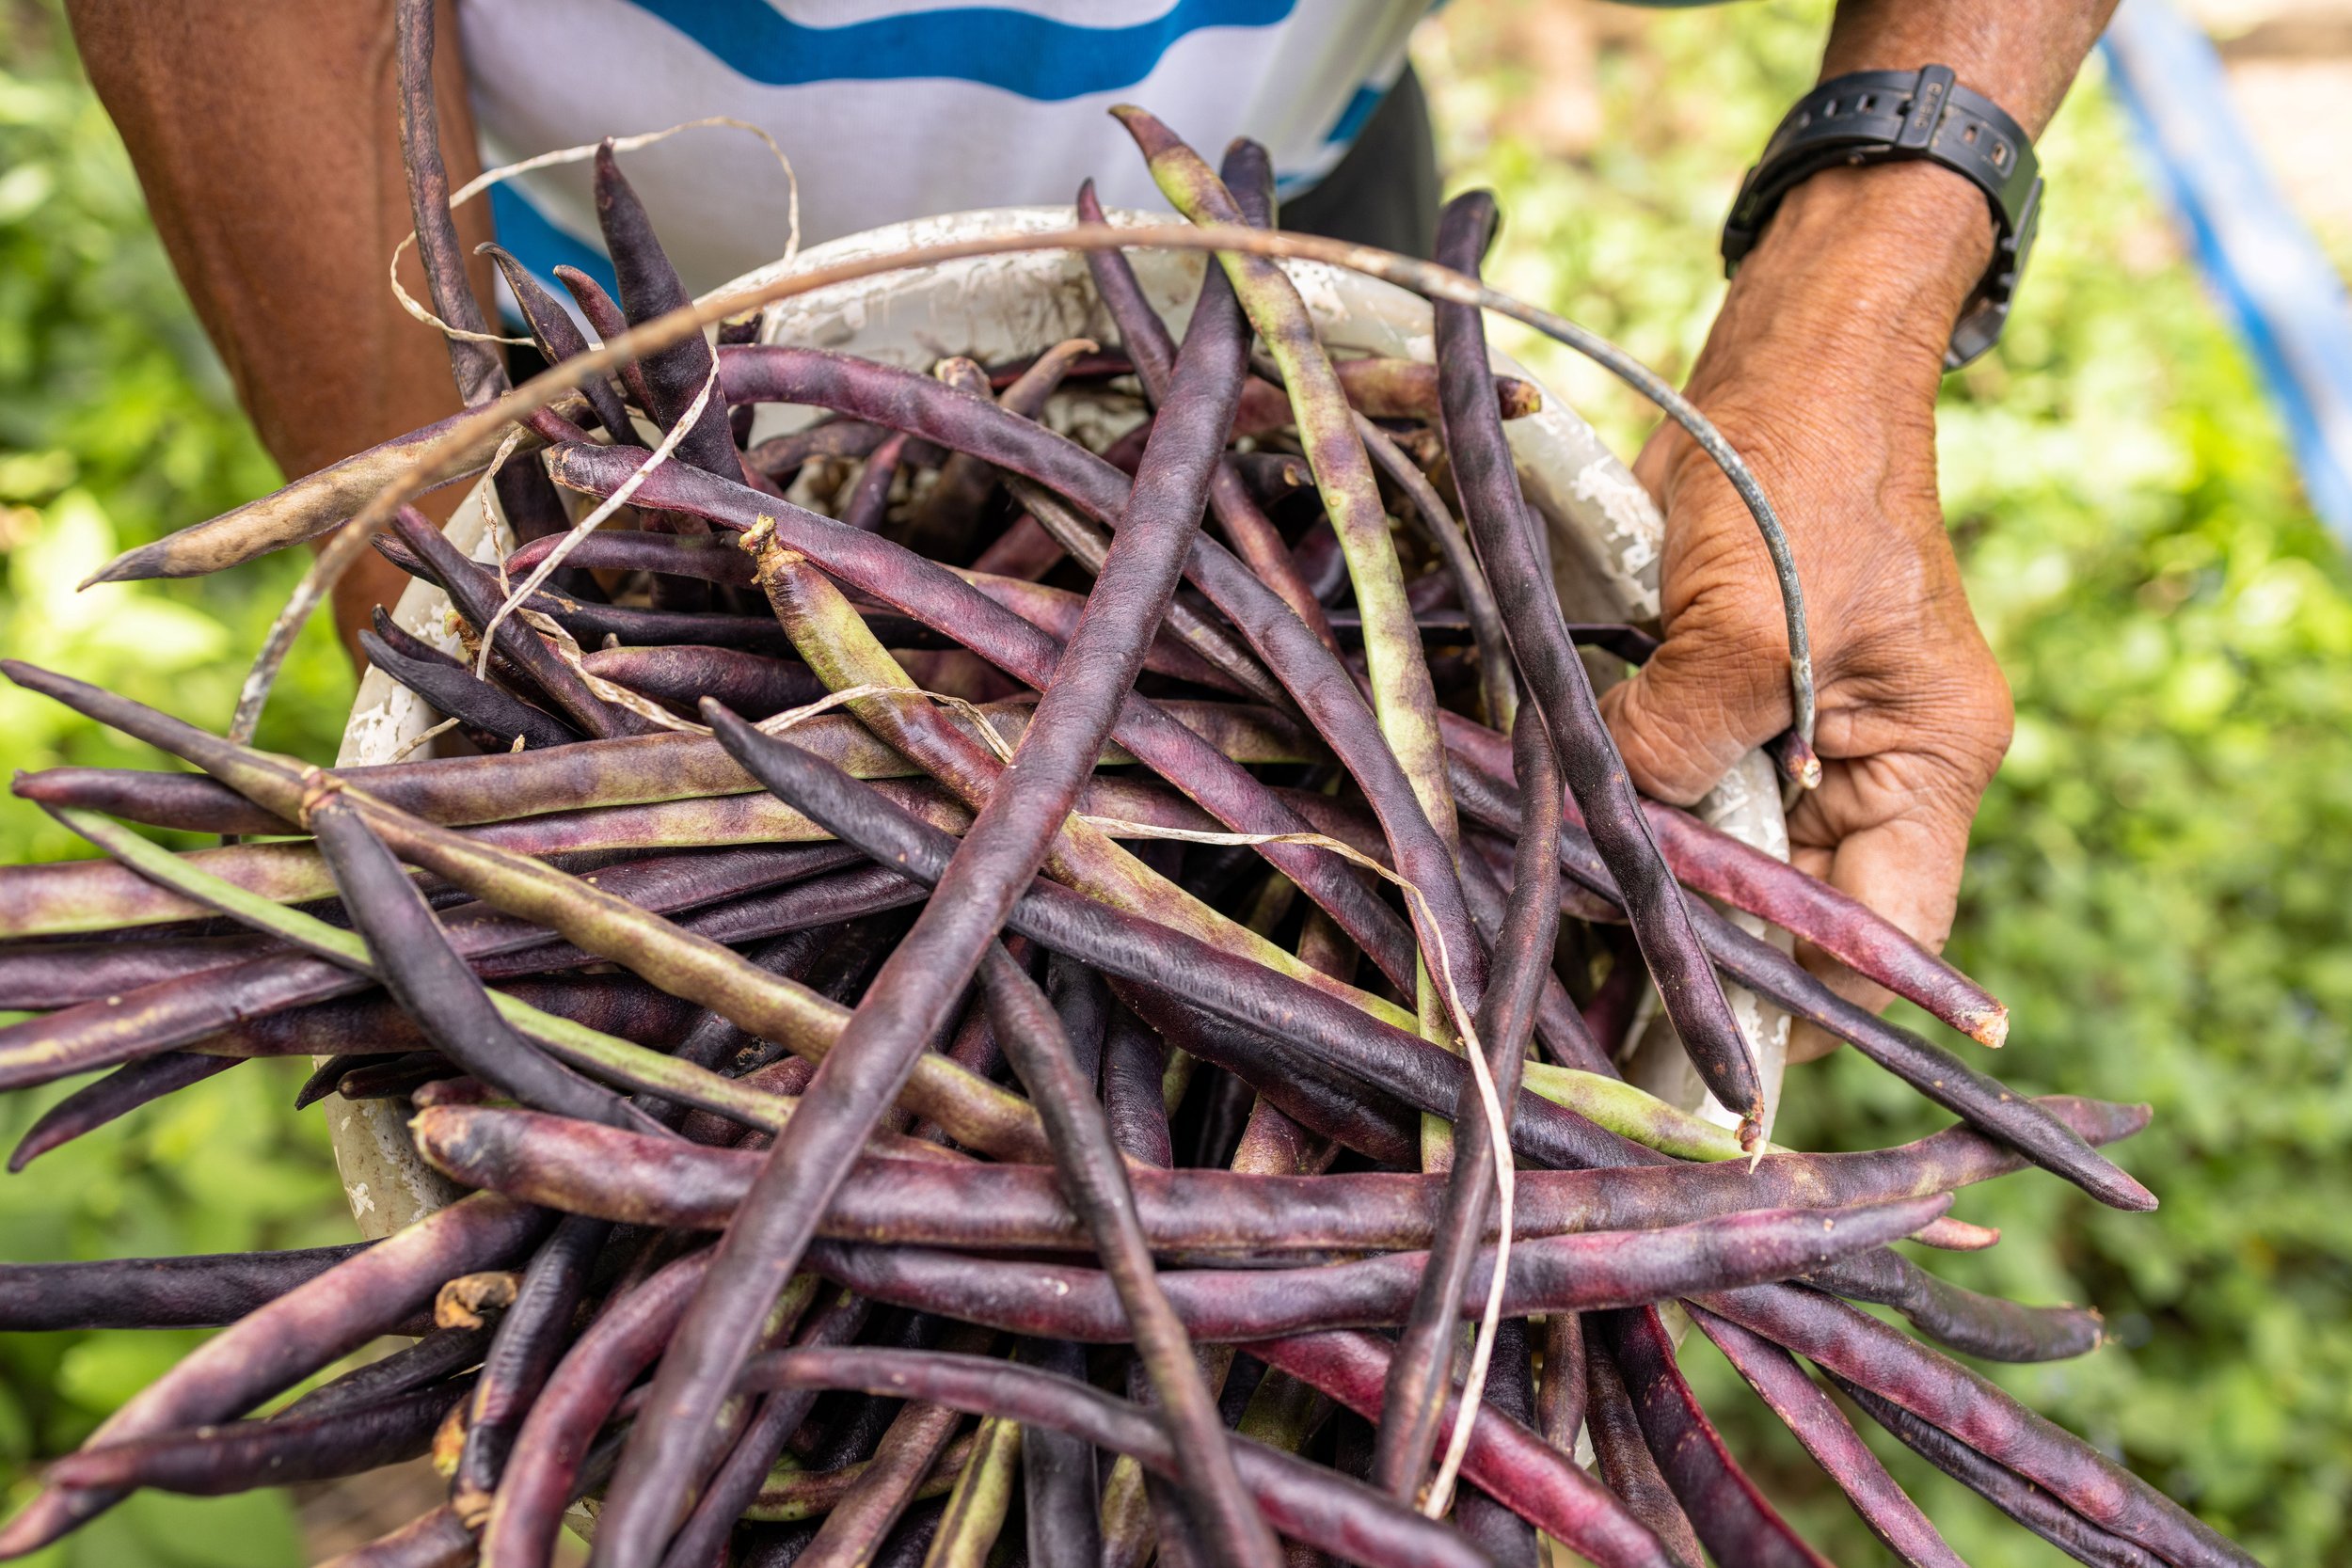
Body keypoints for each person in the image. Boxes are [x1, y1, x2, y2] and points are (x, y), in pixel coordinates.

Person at [65, 0, 2111, 1048]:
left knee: (1368, 621)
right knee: (572, 869)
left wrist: (1865, 267)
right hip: (554, 262)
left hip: (1267, 190)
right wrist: (434, 554)